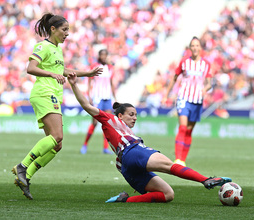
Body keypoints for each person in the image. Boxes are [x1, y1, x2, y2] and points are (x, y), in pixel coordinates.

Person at [67, 72, 231, 203]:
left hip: (125, 166)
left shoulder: (124, 130)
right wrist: (74, 85)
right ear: (120, 115)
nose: (134, 118)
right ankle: (206, 180)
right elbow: (87, 105)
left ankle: (125, 200)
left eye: (136, 115)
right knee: (169, 165)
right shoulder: (110, 119)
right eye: (131, 114)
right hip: (132, 152)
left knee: (167, 194)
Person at [11, 13, 102, 200]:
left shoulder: (57, 49)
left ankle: (25, 177)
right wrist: (52, 76)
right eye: (64, 29)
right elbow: (31, 67)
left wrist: (88, 73)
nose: (67, 33)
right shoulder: (43, 46)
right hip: (44, 93)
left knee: (57, 145)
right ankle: (22, 167)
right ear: (53, 29)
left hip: (52, 95)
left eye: (68, 30)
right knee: (57, 136)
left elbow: (63, 71)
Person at [162, 36, 212, 167]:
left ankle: (182, 159)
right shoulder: (184, 62)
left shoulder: (206, 64)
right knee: (183, 127)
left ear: (200, 48)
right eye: (193, 46)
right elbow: (174, 78)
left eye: (197, 45)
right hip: (183, 98)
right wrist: (166, 94)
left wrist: (205, 89)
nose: (195, 48)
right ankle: (178, 158)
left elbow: (209, 83)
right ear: (190, 48)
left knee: (189, 130)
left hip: (197, 100)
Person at [80, 49, 116, 155]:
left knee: (107, 123)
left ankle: (105, 148)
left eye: (105, 55)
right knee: (95, 122)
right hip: (97, 98)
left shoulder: (110, 68)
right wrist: (89, 96)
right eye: (102, 55)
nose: (104, 57)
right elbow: (90, 81)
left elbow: (111, 83)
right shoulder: (95, 66)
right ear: (99, 56)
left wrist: (115, 97)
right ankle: (85, 144)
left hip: (107, 97)